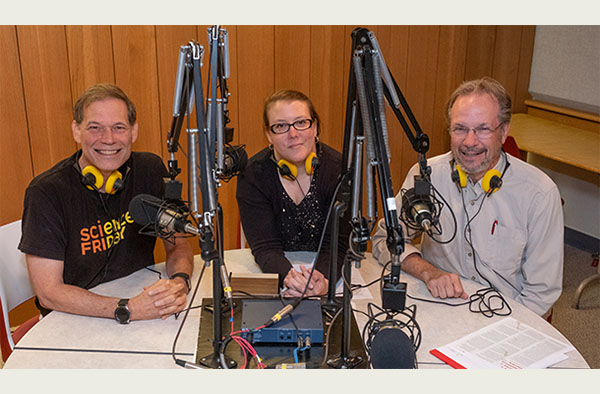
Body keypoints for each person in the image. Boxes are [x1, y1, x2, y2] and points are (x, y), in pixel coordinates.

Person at [372, 77, 564, 317]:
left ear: (503, 132)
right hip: (438, 307)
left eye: (483, 129)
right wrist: (429, 272)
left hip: (505, 317)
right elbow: (385, 239)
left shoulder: (540, 194)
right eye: (460, 129)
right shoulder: (425, 176)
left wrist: (504, 333)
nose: (470, 142)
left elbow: (540, 294)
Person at [18, 83, 194, 323]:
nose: (108, 139)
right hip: (72, 318)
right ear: (76, 131)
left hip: (140, 303)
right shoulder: (46, 192)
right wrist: (127, 308)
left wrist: (179, 281)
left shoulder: (150, 170)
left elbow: (178, 243)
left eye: (118, 127)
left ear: (133, 132)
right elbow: (49, 293)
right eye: (95, 128)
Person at [236, 90, 350, 298]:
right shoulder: (253, 175)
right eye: (280, 126)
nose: (293, 134)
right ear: (268, 135)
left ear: (315, 127)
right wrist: (290, 279)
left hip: (327, 269)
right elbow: (265, 246)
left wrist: (323, 280)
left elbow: (339, 244)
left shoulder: (340, 171)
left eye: (301, 122)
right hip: (281, 272)